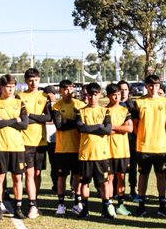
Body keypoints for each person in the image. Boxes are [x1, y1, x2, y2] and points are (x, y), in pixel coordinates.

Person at [0, 74, 29, 220]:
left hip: (17, 147)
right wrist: (13, 120)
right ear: (1, 87)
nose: (10, 89)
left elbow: (24, 124)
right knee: (0, 178)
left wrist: (4, 120)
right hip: (1, 146)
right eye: (7, 86)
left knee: (17, 178)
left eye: (12, 86)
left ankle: (18, 208)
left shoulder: (19, 103)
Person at [132, 75, 166, 217]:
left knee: (161, 176)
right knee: (143, 176)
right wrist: (144, 136)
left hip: (160, 147)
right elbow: (135, 125)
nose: (153, 88)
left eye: (156, 85)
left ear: (159, 86)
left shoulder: (165, 102)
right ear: (146, 86)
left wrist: (162, 137)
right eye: (150, 85)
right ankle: (141, 206)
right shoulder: (138, 102)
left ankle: (162, 206)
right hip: (143, 147)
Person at [73, 83, 113, 218]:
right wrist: (98, 127)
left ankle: (105, 208)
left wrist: (90, 127)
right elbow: (80, 128)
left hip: (101, 154)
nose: (92, 98)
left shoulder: (104, 111)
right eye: (90, 95)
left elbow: (107, 130)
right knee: (85, 183)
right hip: (85, 154)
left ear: (99, 95)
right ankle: (85, 209)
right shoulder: (81, 111)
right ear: (86, 95)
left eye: (95, 95)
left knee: (103, 182)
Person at [18, 68, 51, 218]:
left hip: (41, 141)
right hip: (25, 141)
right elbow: (22, 120)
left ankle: (34, 202)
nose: (33, 82)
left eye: (36, 79)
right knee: (29, 173)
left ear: (39, 79)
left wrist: (31, 116)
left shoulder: (44, 96)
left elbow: (48, 118)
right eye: (30, 80)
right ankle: (32, 204)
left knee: (37, 173)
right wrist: (37, 117)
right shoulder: (20, 97)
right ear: (26, 81)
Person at [50, 79, 83, 215]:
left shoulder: (81, 105)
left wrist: (69, 122)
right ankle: (61, 204)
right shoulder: (56, 106)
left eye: (70, 89)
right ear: (60, 91)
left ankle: (77, 202)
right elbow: (59, 125)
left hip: (77, 147)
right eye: (65, 89)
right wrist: (75, 122)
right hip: (62, 148)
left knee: (77, 176)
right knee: (61, 176)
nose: (68, 92)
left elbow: (81, 124)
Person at [105, 83, 134, 216]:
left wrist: (114, 127)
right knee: (109, 178)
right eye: (113, 95)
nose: (116, 97)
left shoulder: (125, 110)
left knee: (121, 177)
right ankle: (109, 204)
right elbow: (105, 129)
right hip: (108, 150)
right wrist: (120, 127)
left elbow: (129, 128)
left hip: (123, 150)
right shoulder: (104, 111)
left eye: (118, 94)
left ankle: (121, 205)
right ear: (108, 96)